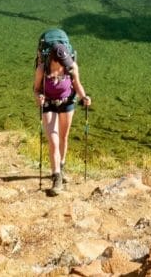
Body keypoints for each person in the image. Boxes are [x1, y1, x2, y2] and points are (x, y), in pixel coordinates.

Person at [34, 40, 91, 196]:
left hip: (67, 103)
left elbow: (77, 85)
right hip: (49, 104)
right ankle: (56, 177)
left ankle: (62, 166)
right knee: (53, 140)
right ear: (53, 60)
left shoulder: (71, 67)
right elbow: (36, 89)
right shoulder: (42, 69)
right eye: (62, 63)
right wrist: (38, 97)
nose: (65, 66)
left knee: (64, 138)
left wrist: (84, 97)